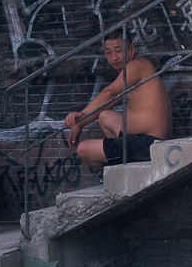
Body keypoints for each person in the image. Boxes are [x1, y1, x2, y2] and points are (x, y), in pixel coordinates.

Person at [64, 30, 173, 171]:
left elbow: (110, 93)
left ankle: (112, 176)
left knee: (83, 149)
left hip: (148, 144)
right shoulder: (137, 66)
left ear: (131, 49)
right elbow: (108, 102)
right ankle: (118, 169)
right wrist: (80, 122)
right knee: (105, 116)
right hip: (137, 138)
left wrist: (82, 117)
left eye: (118, 51)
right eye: (108, 52)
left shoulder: (136, 66)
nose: (114, 57)